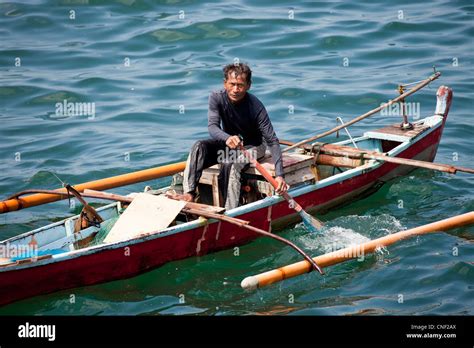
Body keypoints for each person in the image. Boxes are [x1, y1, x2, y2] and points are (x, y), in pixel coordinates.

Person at [169, 62, 288, 210]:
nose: (235, 89)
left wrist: (279, 175)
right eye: (232, 84)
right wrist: (227, 138)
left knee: (232, 165)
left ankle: (231, 210)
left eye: (240, 85)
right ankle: (189, 193)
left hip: (255, 146)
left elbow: (272, 140)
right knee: (199, 147)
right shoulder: (216, 98)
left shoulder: (255, 106)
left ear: (248, 86)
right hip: (229, 144)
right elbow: (212, 126)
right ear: (225, 83)